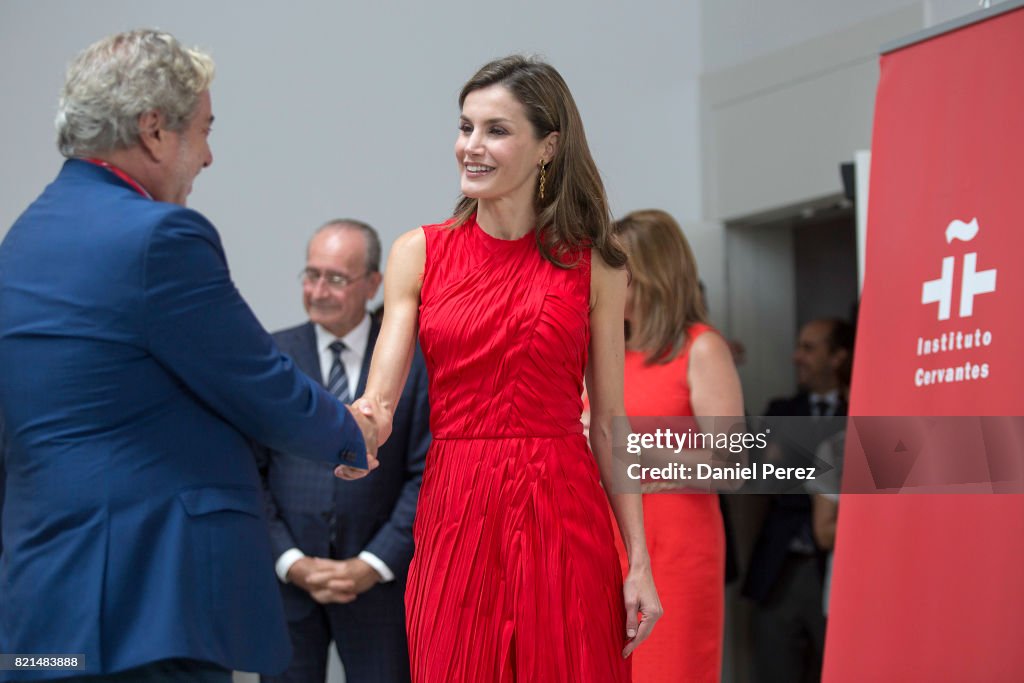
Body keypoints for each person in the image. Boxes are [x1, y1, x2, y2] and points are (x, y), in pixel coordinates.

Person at [0, 30, 376, 683]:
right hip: (144, 608)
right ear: (152, 130)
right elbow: (256, 382)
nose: (207, 155)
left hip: (42, 610)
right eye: (202, 129)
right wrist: (352, 435)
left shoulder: (22, 238)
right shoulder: (159, 238)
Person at [352, 55, 661, 682]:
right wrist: (340, 434)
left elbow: (609, 424)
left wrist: (639, 561)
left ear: (548, 146)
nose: (471, 146)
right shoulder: (420, 253)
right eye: (465, 127)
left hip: (562, 504)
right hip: (456, 505)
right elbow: (377, 403)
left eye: (496, 130)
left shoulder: (597, 265)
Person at [257, 220, 430, 683]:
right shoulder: (272, 356)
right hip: (288, 587)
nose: (318, 290)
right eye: (311, 275)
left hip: (379, 589)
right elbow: (250, 471)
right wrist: (290, 561)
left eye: (335, 278)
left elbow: (425, 473)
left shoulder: (409, 361)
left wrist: (373, 564)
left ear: (374, 283)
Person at [610, 209, 744, 682]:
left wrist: (633, 448)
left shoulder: (700, 348)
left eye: (614, 266)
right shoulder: (605, 356)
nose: (601, 279)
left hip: (676, 550)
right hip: (607, 546)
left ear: (646, 274)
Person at [743, 318, 854, 683]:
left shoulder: (859, 411)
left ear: (837, 357)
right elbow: (762, 476)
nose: (796, 357)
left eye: (809, 348)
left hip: (839, 571)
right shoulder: (780, 411)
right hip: (781, 566)